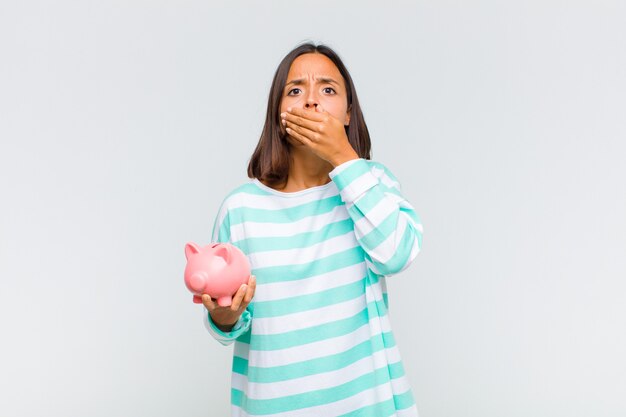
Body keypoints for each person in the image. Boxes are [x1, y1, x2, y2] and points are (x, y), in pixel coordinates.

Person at [200, 42, 424, 417]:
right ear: (278, 114)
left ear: (349, 114)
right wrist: (224, 319)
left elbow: (397, 255)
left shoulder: (373, 183)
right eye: (295, 90)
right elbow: (230, 315)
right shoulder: (241, 209)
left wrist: (342, 157)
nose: (312, 101)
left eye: (328, 89)